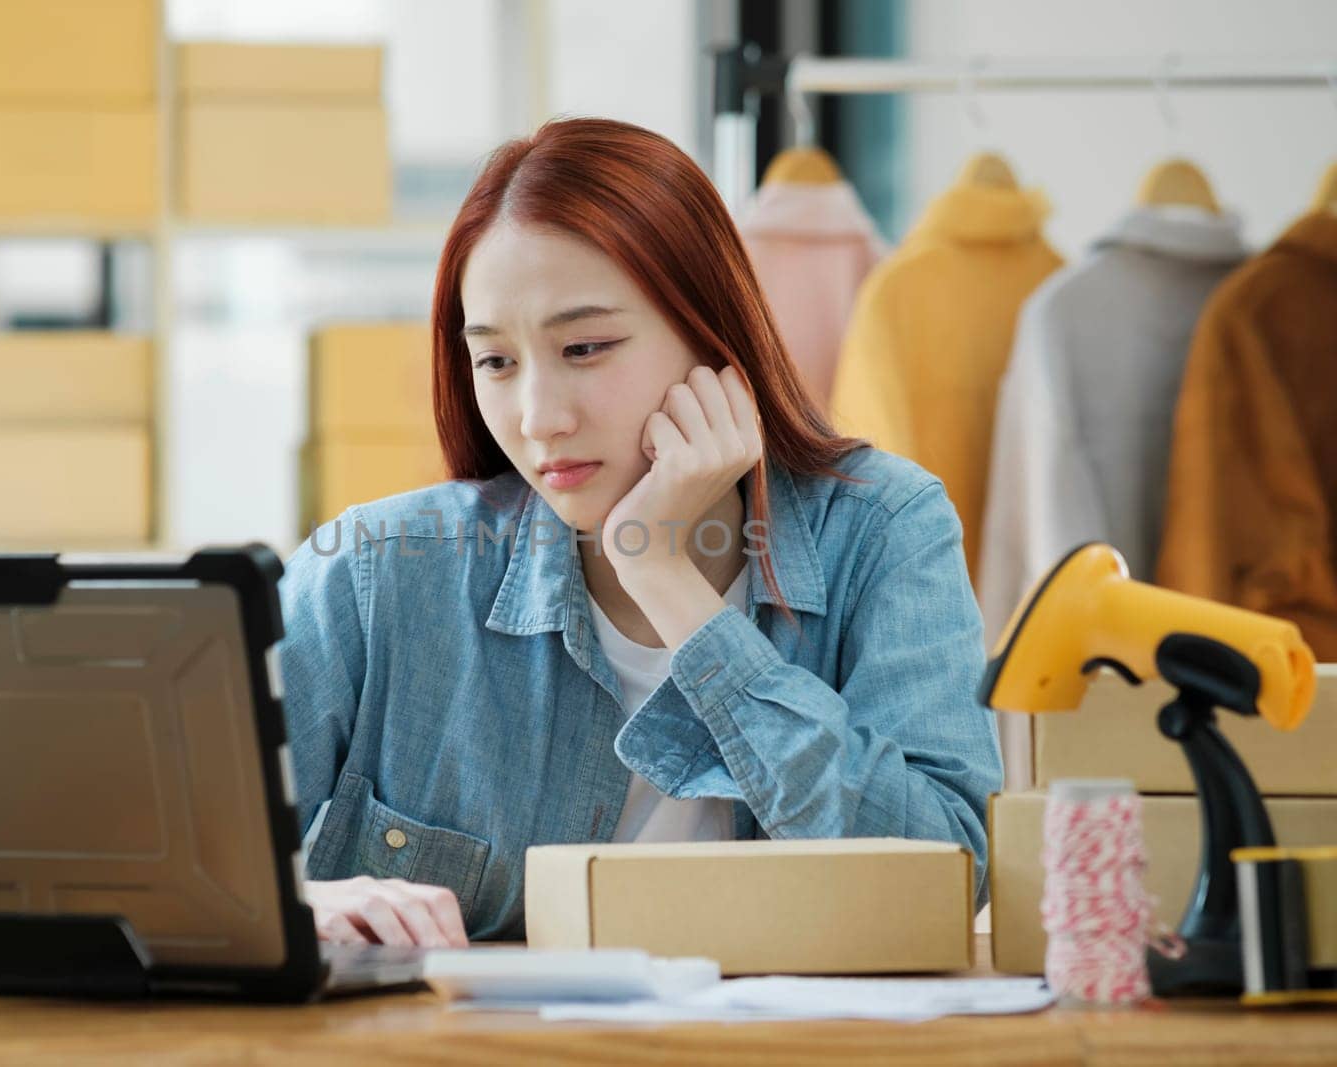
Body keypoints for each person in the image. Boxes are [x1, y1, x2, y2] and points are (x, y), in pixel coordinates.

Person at [279, 118, 1003, 948]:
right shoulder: (376, 573)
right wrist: (297, 906)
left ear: (711, 332)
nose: (539, 418)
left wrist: (668, 579)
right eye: (496, 362)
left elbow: (943, 873)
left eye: (585, 347)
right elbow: (162, 867)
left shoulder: (882, 528)